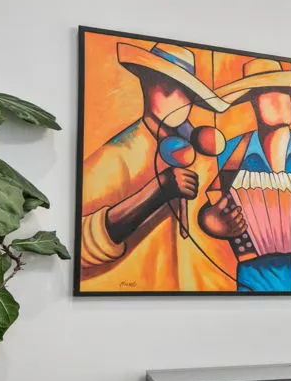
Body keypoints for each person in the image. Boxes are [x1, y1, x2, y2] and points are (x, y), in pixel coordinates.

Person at [78, 41, 231, 292]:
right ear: (145, 84)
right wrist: (156, 192)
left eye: (186, 90)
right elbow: (79, 243)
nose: (179, 98)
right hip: (129, 292)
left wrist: (212, 223)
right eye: (168, 86)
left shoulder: (205, 156)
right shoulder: (116, 156)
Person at [198, 59, 291, 292]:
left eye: (286, 93)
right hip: (256, 272)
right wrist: (210, 221)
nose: (280, 101)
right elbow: (210, 206)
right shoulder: (230, 153)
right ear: (254, 103)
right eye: (269, 93)